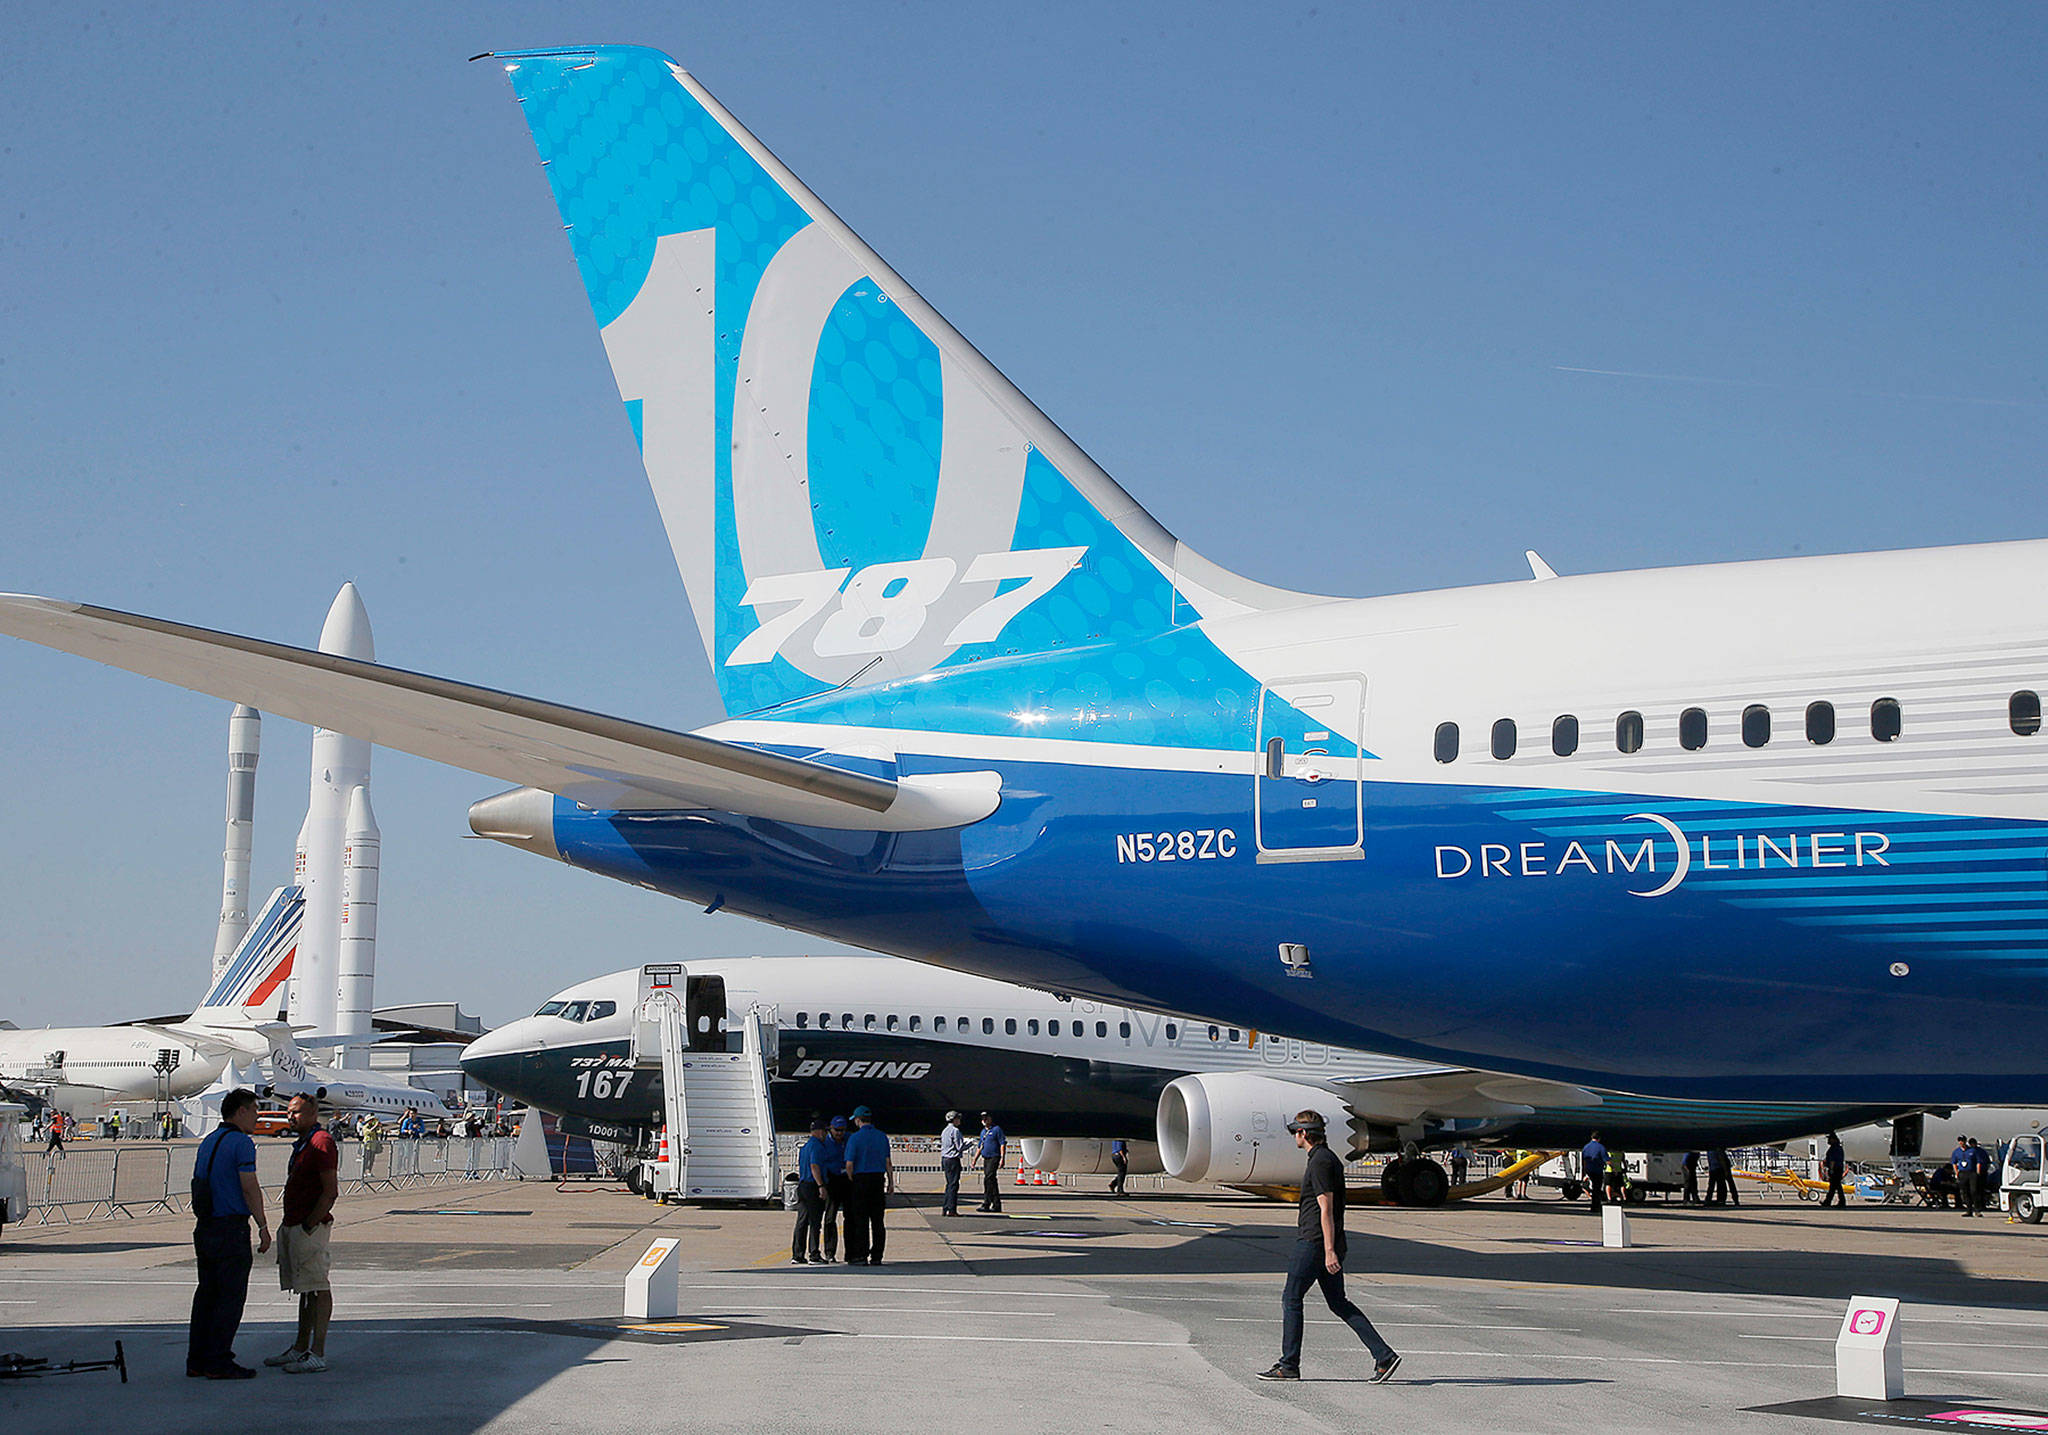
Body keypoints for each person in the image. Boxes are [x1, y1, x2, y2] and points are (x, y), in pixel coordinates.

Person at [1257, 1111, 1400, 1384]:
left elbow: (1326, 1207)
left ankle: (1289, 1365)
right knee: (1338, 1302)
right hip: (1324, 1242)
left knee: (1291, 1298)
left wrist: (1329, 1250)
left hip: (1314, 1243)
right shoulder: (1325, 1158)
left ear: (1303, 1133)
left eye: (1295, 1133)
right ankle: (1384, 1356)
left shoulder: (1321, 1162)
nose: (1294, 1138)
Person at [187, 1088, 271, 1380]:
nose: (258, 1115)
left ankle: (197, 1358)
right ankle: (219, 1359)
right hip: (230, 1228)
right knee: (230, 1298)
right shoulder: (241, 1143)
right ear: (241, 1111)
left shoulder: (208, 1141)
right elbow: (249, 1186)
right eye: (255, 1109)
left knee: (206, 1295)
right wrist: (262, 1225)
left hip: (206, 1226)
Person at [268, 1093, 339, 1373]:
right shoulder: (304, 1142)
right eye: (288, 1112)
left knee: (317, 1286)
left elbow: (330, 1190)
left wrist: (311, 1222)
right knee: (305, 1289)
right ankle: (300, 1346)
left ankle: (317, 1351)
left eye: (296, 1112)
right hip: (296, 1223)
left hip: (309, 1226)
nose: (290, 1116)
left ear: (312, 1113)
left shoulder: (321, 1142)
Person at [841, 1106, 893, 1266]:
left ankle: (861, 1255)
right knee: (878, 1221)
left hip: (861, 1180)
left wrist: (852, 1179)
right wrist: (891, 1182)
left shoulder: (855, 1138)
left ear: (858, 1120)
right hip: (878, 1179)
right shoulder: (882, 1137)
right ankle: (877, 1255)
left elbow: (849, 1164)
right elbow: (888, 1162)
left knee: (860, 1220)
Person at [792, 1116, 836, 1262]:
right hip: (813, 1186)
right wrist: (821, 1186)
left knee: (802, 1221)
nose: (826, 1134)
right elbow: (814, 1166)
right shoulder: (817, 1146)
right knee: (815, 1222)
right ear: (819, 1132)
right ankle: (814, 1254)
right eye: (825, 1131)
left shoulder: (805, 1147)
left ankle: (797, 1254)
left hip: (803, 1185)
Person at [976, 1112, 1006, 1213]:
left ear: (990, 1119)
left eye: (986, 1118)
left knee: (988, 1178)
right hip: (986, 1158)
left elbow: (1002, 1144)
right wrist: (975, 1159)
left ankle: (986, 1203)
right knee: (991, 1180)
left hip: (994, 1157)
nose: (984, 1120)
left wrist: (1002, 1158)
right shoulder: (983, 1132)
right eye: (983, 1119)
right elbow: (980, 1146)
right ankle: (996, 1204)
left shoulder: (997, 1129)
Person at [938, 1111, 965, 1217]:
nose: (959, 1120)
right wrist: (970, 1143)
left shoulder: (945, 1131)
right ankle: (952, 1209)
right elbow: (959, 1147)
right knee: (954, 1185)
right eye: (958, 1118)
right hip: (953, 1159)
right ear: (954, 1119)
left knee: (949, 1184)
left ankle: (945, 1208)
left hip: (945, 1159)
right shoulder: (955, 1131)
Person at [1819, 1133, 1848, 1209]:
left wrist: (1831, 1169)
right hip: (1838, 1169)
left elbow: (1832, 1160)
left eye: (1830, 1139)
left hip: (1835, 1169)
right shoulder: (1838, 1148)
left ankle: (1830, 1201)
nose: (1828, 1140)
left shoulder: (1834, 1148)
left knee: (1834, 1186)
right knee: (1836, 1186)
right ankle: (1835, 1201)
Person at [1581, 1133, 1607, 1215]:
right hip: (1597, 1170)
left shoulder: (1586, 1147)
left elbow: (1584, 1160)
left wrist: (1584, 1171)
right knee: (1597, 1189)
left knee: (1593, 1187)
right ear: (1599, 1138)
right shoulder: (1600, 1147)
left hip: (1589, 1170)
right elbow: (1606, 1158)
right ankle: (1596, 1206)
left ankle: (1593, 1205)